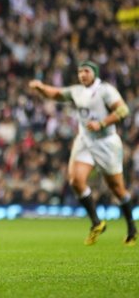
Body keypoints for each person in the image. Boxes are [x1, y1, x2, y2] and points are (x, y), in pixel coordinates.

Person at [29, 60, 137, 246]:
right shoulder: (77, 91)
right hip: (85, 140)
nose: (82, 75)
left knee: (117, 189)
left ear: (94, 73)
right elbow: (56, 93)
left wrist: (102, 123)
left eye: (86, 71)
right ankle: (96, 223)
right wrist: (40, 87)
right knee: (76, 181)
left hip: (106, 142)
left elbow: (123, 110)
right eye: (80, 72)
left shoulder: (105, 90)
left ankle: (131, 229)